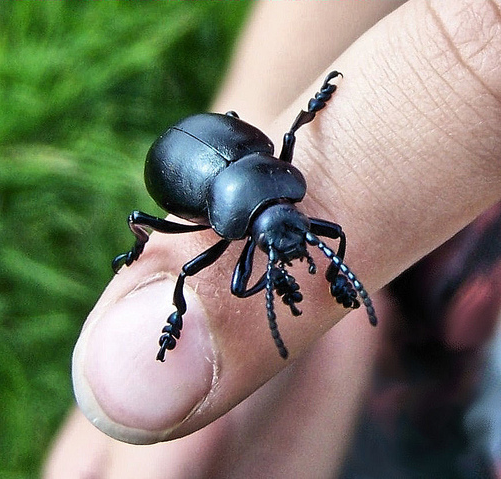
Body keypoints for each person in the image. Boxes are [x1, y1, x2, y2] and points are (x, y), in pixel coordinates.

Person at [44, 1, 501, 477]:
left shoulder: (268, 184)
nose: (295, 244)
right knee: (178, 263)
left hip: (425, 361)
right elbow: (227, 281)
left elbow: (329, 237)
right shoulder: (232, 211)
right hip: (199, 163)